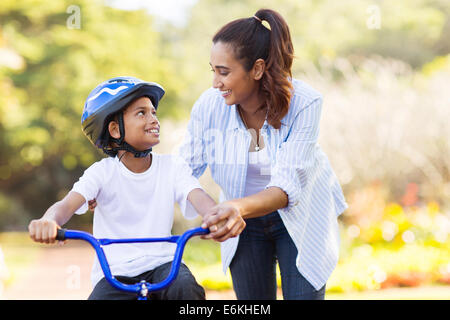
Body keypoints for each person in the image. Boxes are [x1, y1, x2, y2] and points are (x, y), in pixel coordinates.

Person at [180, 9, 348, 300]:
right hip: (243, 224)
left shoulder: (305, 103)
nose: (215, 83)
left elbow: (288, 186)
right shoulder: (209, 106)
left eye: (224, 72)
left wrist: (236, 208)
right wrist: (211, 210)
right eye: (213, 70)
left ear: (257, 69)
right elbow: (182, 170)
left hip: (300, 216)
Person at [28, 76, 217, 300]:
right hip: (115, 273)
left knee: (186, 290)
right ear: (115, 129)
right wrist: (50, 221)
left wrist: (215, 215)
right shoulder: (101, 173)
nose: (153, 119)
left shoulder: (172, 167)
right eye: (141, 113)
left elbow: (197, 196)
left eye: (153, 112)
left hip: (164, 264)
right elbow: (65, 206)